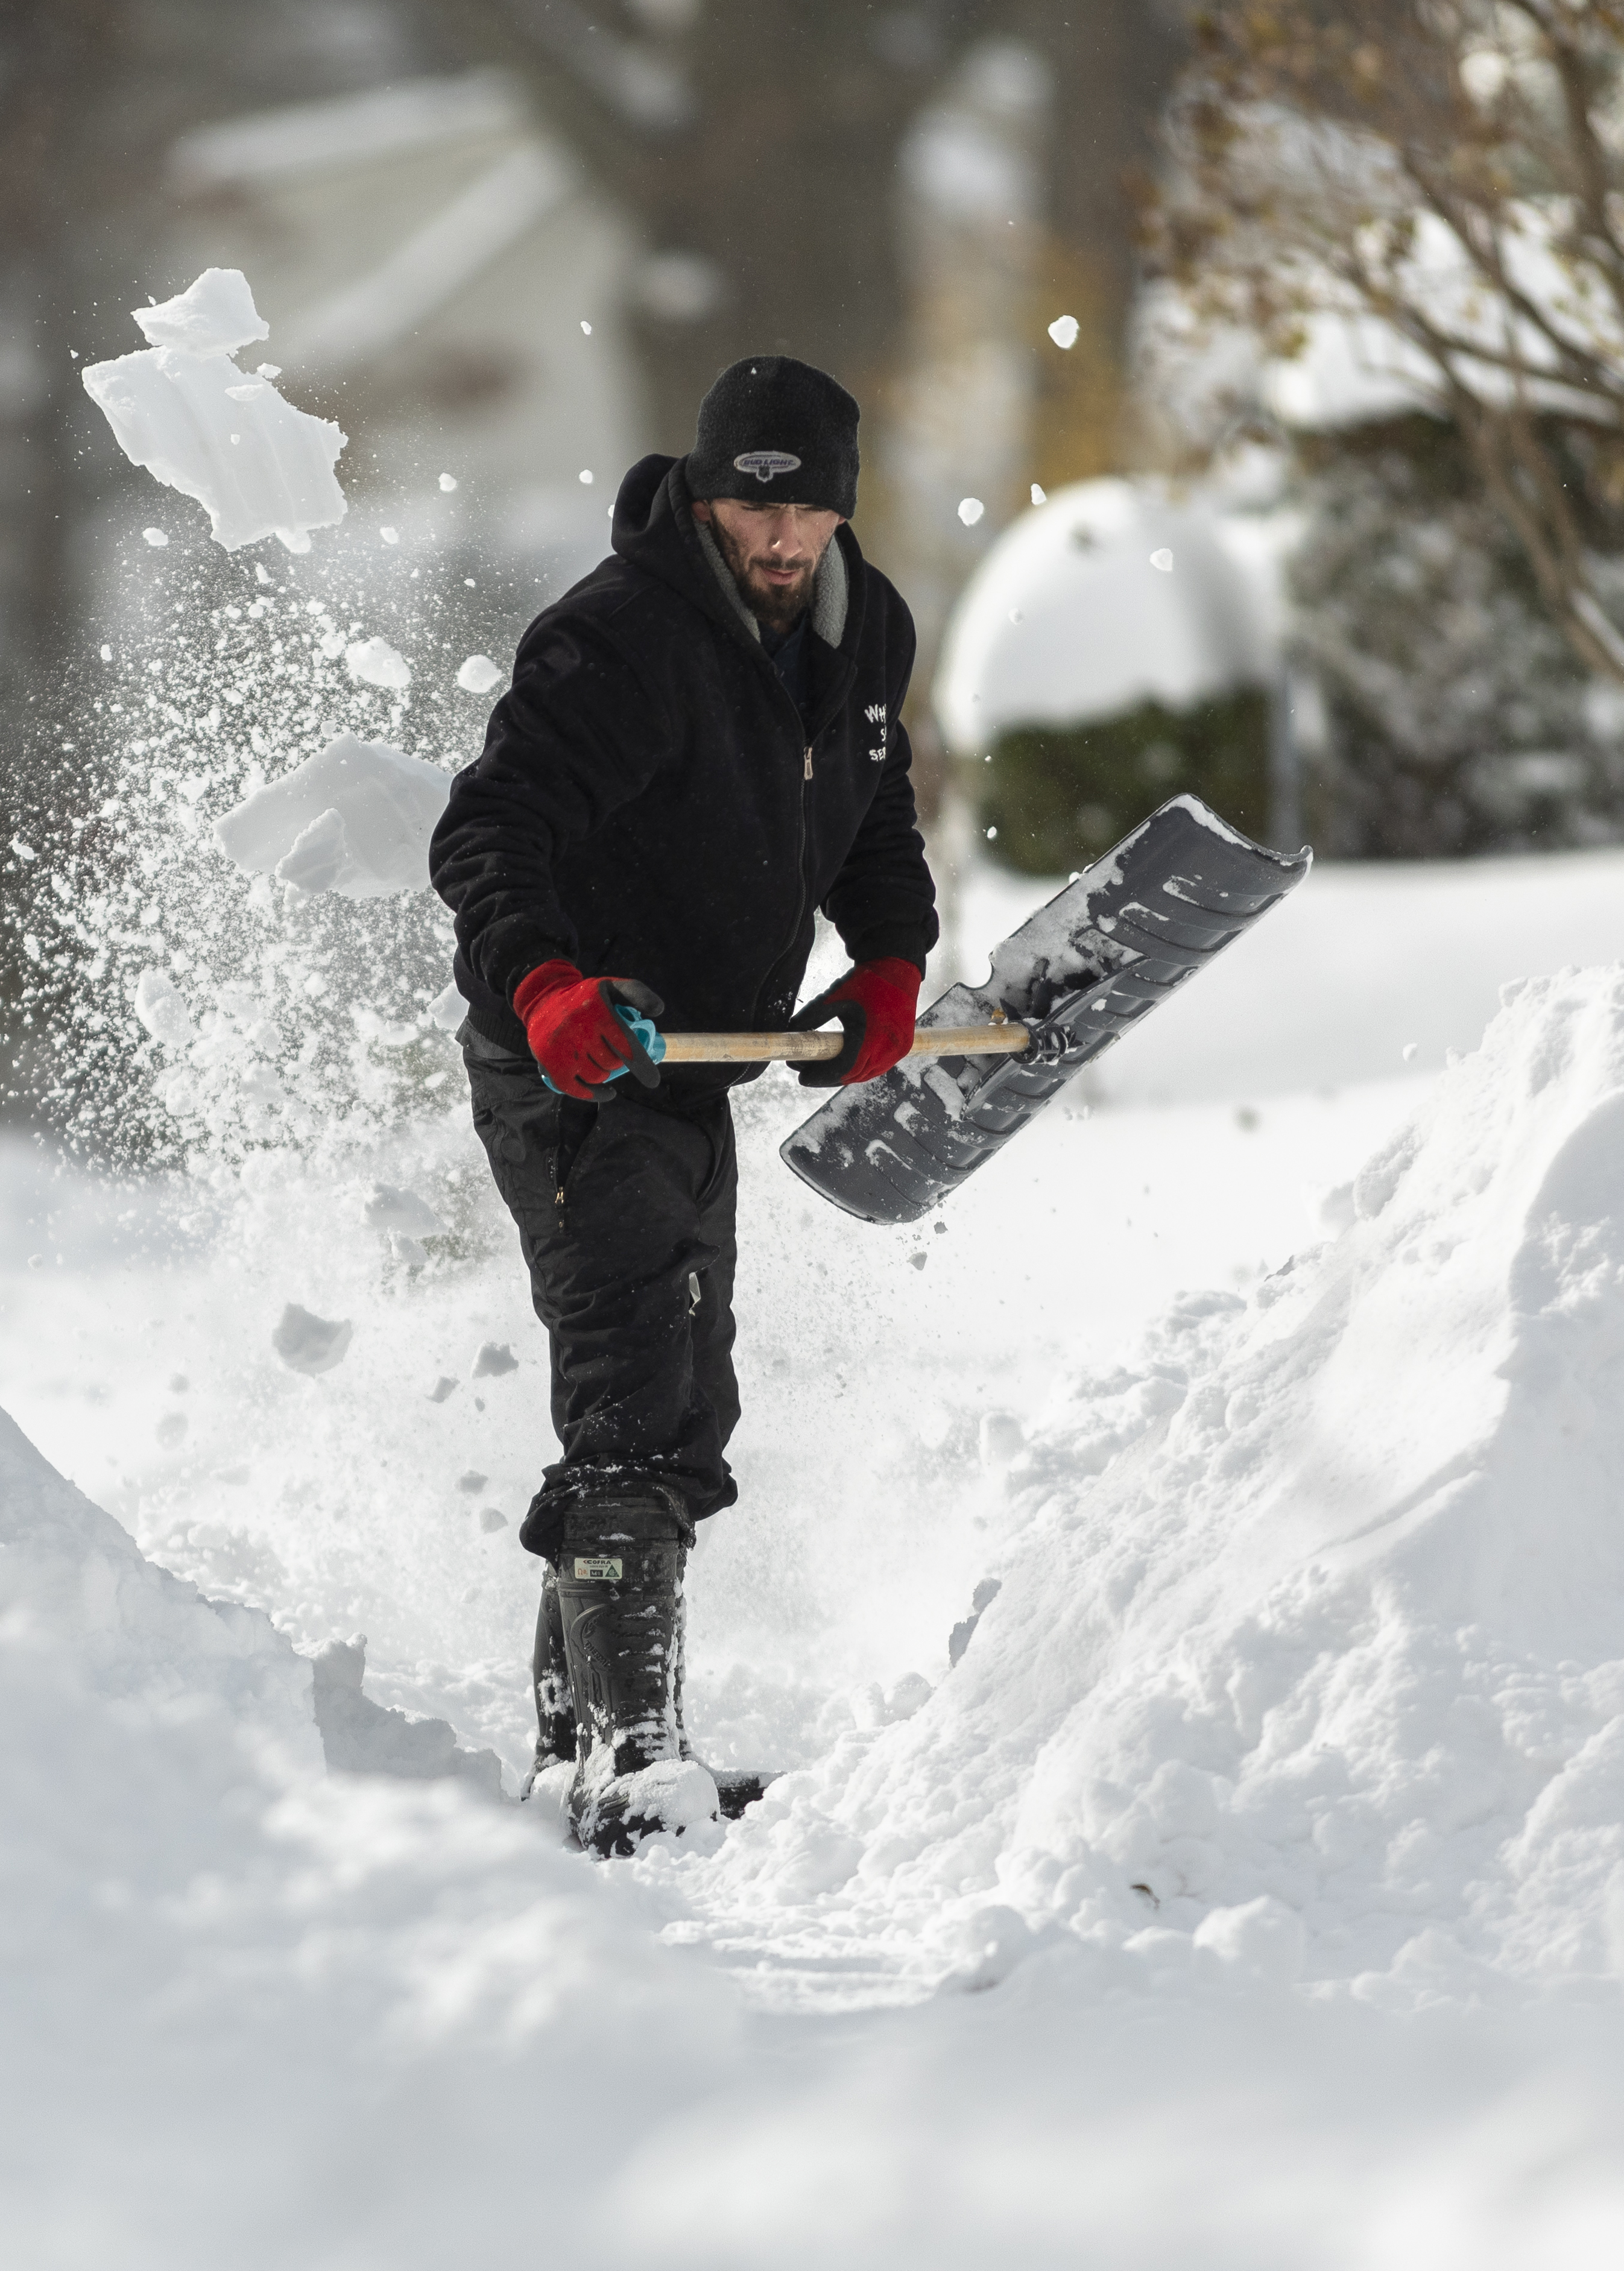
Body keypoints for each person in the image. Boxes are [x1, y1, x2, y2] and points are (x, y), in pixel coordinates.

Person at [429, 355, 939, 1854]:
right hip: (576, 1052)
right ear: (704, 496)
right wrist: (543, 987)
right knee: (634, 1383)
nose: (775, 545)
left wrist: (890, 959)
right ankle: (630, 1755)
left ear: (841, 508)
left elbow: (867, 811)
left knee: (677, 1385)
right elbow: (490, 829)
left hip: (699, 1060)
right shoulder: (617, 639)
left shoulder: (866, 631)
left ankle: (568, 1745)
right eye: (745, 512)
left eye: (804, 517)